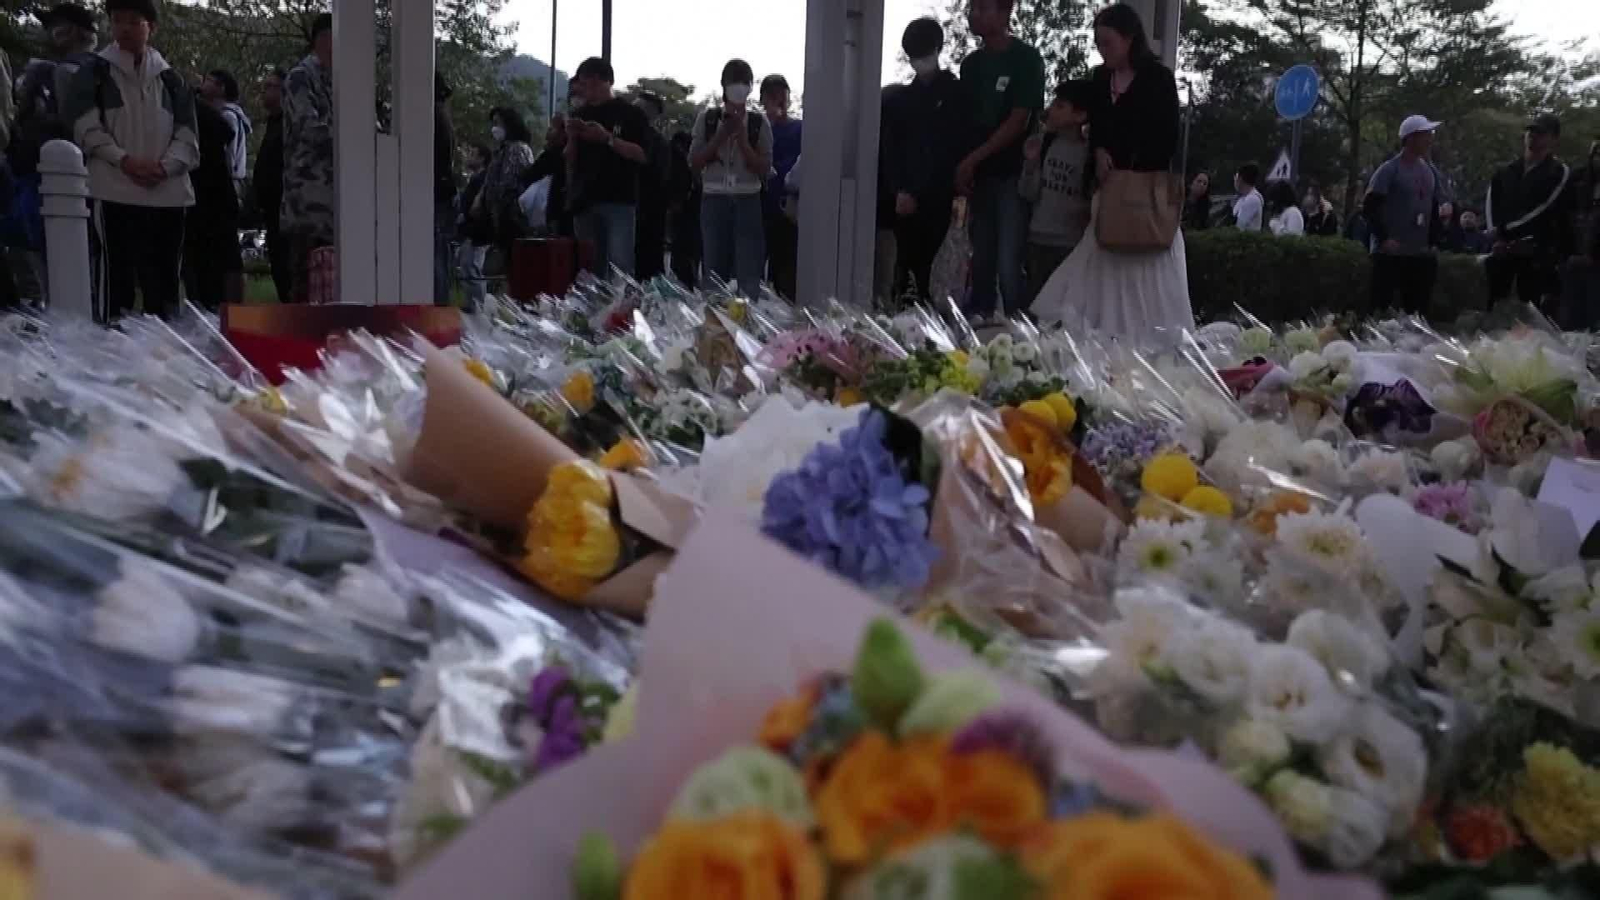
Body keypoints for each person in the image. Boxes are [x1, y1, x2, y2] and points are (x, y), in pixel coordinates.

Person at [1032, 2, 1192, 341]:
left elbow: (1167, 137)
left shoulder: (1158, 79)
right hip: (1109, 194)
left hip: (1144, 196)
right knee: (1095, 271)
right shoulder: (1100, 78)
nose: (1102, 50)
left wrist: (1130, 160)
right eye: (1098, 43)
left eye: (1108, 42)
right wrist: (1100, 151)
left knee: (1146, 277)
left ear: (1130, 38)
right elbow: (1097, 125)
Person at [65, 0, 197, 321]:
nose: (124, 28)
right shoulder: (94, 72)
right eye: (117, 20)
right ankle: (111, 349)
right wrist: (123, 160)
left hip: (168, 194)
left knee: (164, 280)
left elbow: (188, 135)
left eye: (133, 21)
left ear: (150, 27)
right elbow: (84, 125)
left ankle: (165, 353)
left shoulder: (171, 79)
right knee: (116, 278)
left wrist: (165, 167)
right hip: (114, 190)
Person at [957, 0, 1045, 319]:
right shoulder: (971, 65)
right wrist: (964, 166)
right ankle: (978, 332)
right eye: (972, 8)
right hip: (980, 176)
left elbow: (1018, 121)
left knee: (1010, 261)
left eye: (983, 8)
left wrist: (972, 159)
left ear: (1005, 11)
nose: (974, 14)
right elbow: (965, 121)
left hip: (1012, 173)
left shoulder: (1026, 59)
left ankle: (1020, 336)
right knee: (981, 258)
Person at [11, 2, 100, 302]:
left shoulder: (62, 71)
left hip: (59, 175)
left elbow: (70, 124)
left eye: (55, 25)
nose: (49, 32)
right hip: (87, 177)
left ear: (74, 31)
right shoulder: (99, 68)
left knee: (57, 254)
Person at [883, 17, 967, 303]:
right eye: (913, 54)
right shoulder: (900, 101)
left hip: (941, 196)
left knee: (937, 273)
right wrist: (900, 190)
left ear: (938, 48)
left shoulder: (956, 94)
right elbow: (892, 149)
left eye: (923, 51)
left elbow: (950, 148)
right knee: (906, 271)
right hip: (906, 201)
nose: (919, 59)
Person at [690, 59, 774, 294]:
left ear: (750, 87)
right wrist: (720, 136)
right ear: (723, 85)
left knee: (749, 271)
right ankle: (714, 324)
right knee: (713, 271)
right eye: (734, 81)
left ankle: (747, 321)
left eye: (744, 82)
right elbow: (694, 162)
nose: (739, 87)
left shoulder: (758, 122)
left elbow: (764, 167)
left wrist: (744, 142)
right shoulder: (706, 119)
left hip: (748, 199)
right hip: (713, 199)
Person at [567, 56, 650, 280]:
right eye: (582, 85)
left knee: (620, 267)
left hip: (619, 199)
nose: (585, 90)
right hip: (585, 199)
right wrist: (572, 137)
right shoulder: (579, 115)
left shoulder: (631, 114)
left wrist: (607, 139)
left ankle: (619, 312)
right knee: (588, 268)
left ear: (603, 81)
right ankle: (591, 312)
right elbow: (570, 161)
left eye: (588, 83)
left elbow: (643, 154)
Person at [1485, 114, 1572, 312]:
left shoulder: (1559, 172)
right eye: (1530, 131)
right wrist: (1495, 235)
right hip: (1501, 251)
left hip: (1536, 253)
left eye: (1541, 133)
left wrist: (1505, 231)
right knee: (1495, 305)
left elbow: (1544, 207)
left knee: (1530, 312)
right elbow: (1492, 202)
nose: (1533, 136)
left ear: (1553, 138)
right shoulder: (1505, 171)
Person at [1363, 115, 1449, 315]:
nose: (1430, 139)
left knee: (1418, 311)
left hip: (1419, 252)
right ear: (1411, 138)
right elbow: (1369, 207)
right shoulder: (1389, 170)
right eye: (1426, 134)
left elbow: (1435, 206)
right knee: (1381, 308)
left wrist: (1434, 239)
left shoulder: (1430, 171)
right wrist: (1383, 238)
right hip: (1390, 253)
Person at [1019, 79, 1092, 306]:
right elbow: (1027, 192)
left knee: (1064, 307)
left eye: (1060, 106)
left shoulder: (1089, 154)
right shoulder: (1044, 144)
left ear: (1080, 115)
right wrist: (1030, 164)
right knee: (1036, 303)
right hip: (1038, 239)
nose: (1051, 110)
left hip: (1070, 245)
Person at [281, 13, 336, 303]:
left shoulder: (340, 81)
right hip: (308, 199)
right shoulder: (302, 77)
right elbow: (308, 128)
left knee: (332, 286)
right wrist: (354, 137)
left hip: (337, 203)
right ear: (323, 38)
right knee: (305, 284)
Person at [182, 85, 241, 308]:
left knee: (201, 262)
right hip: (219, 195)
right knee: (225, 260)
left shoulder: (190, 116)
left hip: (202, 198)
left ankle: (204, 305)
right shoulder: (213, 119)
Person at [473, 106, 535, 270]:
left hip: (513, 215)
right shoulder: (501, 150)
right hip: (499, 216)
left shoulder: (518, 148)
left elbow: (511, 182)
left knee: (515, 261)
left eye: (498, 123)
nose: (495, 128)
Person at [252, 67, 291, 302]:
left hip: (285, 208)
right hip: (271, 210)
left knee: (286, 268)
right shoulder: (273, 123)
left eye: (270, 86)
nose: (264, 92)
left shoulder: (288, 124)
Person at [761, 74, 802, 299]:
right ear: (763, 100)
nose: (778, 101)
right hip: (759, 209)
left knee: (786, 274)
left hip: (789, 213)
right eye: (772, 96)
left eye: (782, 95)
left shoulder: (801, 129)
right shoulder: (755, 129)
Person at [632, 91, 672, 280]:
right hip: (628, 208)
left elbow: (661, 181)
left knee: (649, 269)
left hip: (649, 215)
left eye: (639, 109)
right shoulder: (624, 137)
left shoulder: (659, 144)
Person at [1564, 140, 1600, 328]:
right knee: (1573, 319)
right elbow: (1564, 217)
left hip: (1595, 263)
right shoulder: (1578, 180)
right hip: (1574, 260)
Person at [201, 69, 250, 200]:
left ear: (221, 88)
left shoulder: (228, 116)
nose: (203, 83)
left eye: (208, 80)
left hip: (227, 183)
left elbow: (228, 153)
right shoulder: (229, 114)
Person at [456, 142, 493, 310]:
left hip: (478, 232)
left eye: (473, 153)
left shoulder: (483, 179)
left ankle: (477, 306)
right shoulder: (478, 179)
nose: (468, 157)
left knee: (472, 268)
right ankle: (474, 303)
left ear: (482, 158)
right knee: (468, 266)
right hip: (473, 232)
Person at [526, 111, 570, 237]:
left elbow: (530, 175)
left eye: (551, 129)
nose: (547, 135)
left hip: (557, 210)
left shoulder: (553, 154)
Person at [433, 73, 456, 305]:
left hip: (436, 192)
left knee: (436, 256)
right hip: (443, 190)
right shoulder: (442, 115)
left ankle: (437, 307)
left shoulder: (433, 115)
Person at [668, 130, 701, 286]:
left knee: (683, 248)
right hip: (687, 209)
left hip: (684, 209)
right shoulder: (681, 159)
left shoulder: (676, 158)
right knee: (687, 249)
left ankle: (684, 279)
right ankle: (687, 279)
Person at [1230, 164, 1262, 231]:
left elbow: (1239, 226)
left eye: (1235, 178)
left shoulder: (1252, 199)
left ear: (1240, 179)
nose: (1234, 182)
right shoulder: (1243, 198)